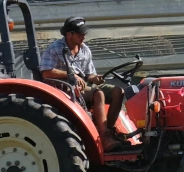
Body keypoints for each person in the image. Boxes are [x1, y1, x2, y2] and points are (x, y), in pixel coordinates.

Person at [40, 16, 126, 149]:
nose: (84, 37)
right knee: (99, 94)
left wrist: (95, 78)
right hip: (64, 87)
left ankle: (109, 130)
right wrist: (70, 75)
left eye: (84, 33)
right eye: (80, 34)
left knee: (118, 91)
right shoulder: (55, 49)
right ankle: (104, 137)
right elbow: (46, 72)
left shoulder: (85, 50)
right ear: (69, 34)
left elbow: (88, 74)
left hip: (83, 85)